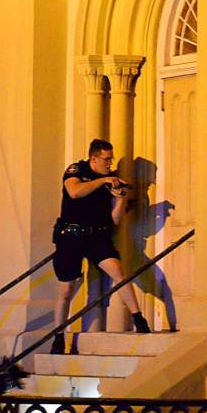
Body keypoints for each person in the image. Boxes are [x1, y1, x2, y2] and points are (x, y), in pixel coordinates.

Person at [51, 139, 151, 354]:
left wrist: (120, 197)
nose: (109, 163)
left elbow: (115, 219)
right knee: (66, 289)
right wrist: (104, 179)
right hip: (71, 236)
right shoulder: (77, 170)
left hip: (97, 236)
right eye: (106, 159)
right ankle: (58, 336)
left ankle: (138, 319)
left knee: (118, 271)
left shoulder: (110, 181)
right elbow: (74, 192)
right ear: (93, 158)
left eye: (111, 159)